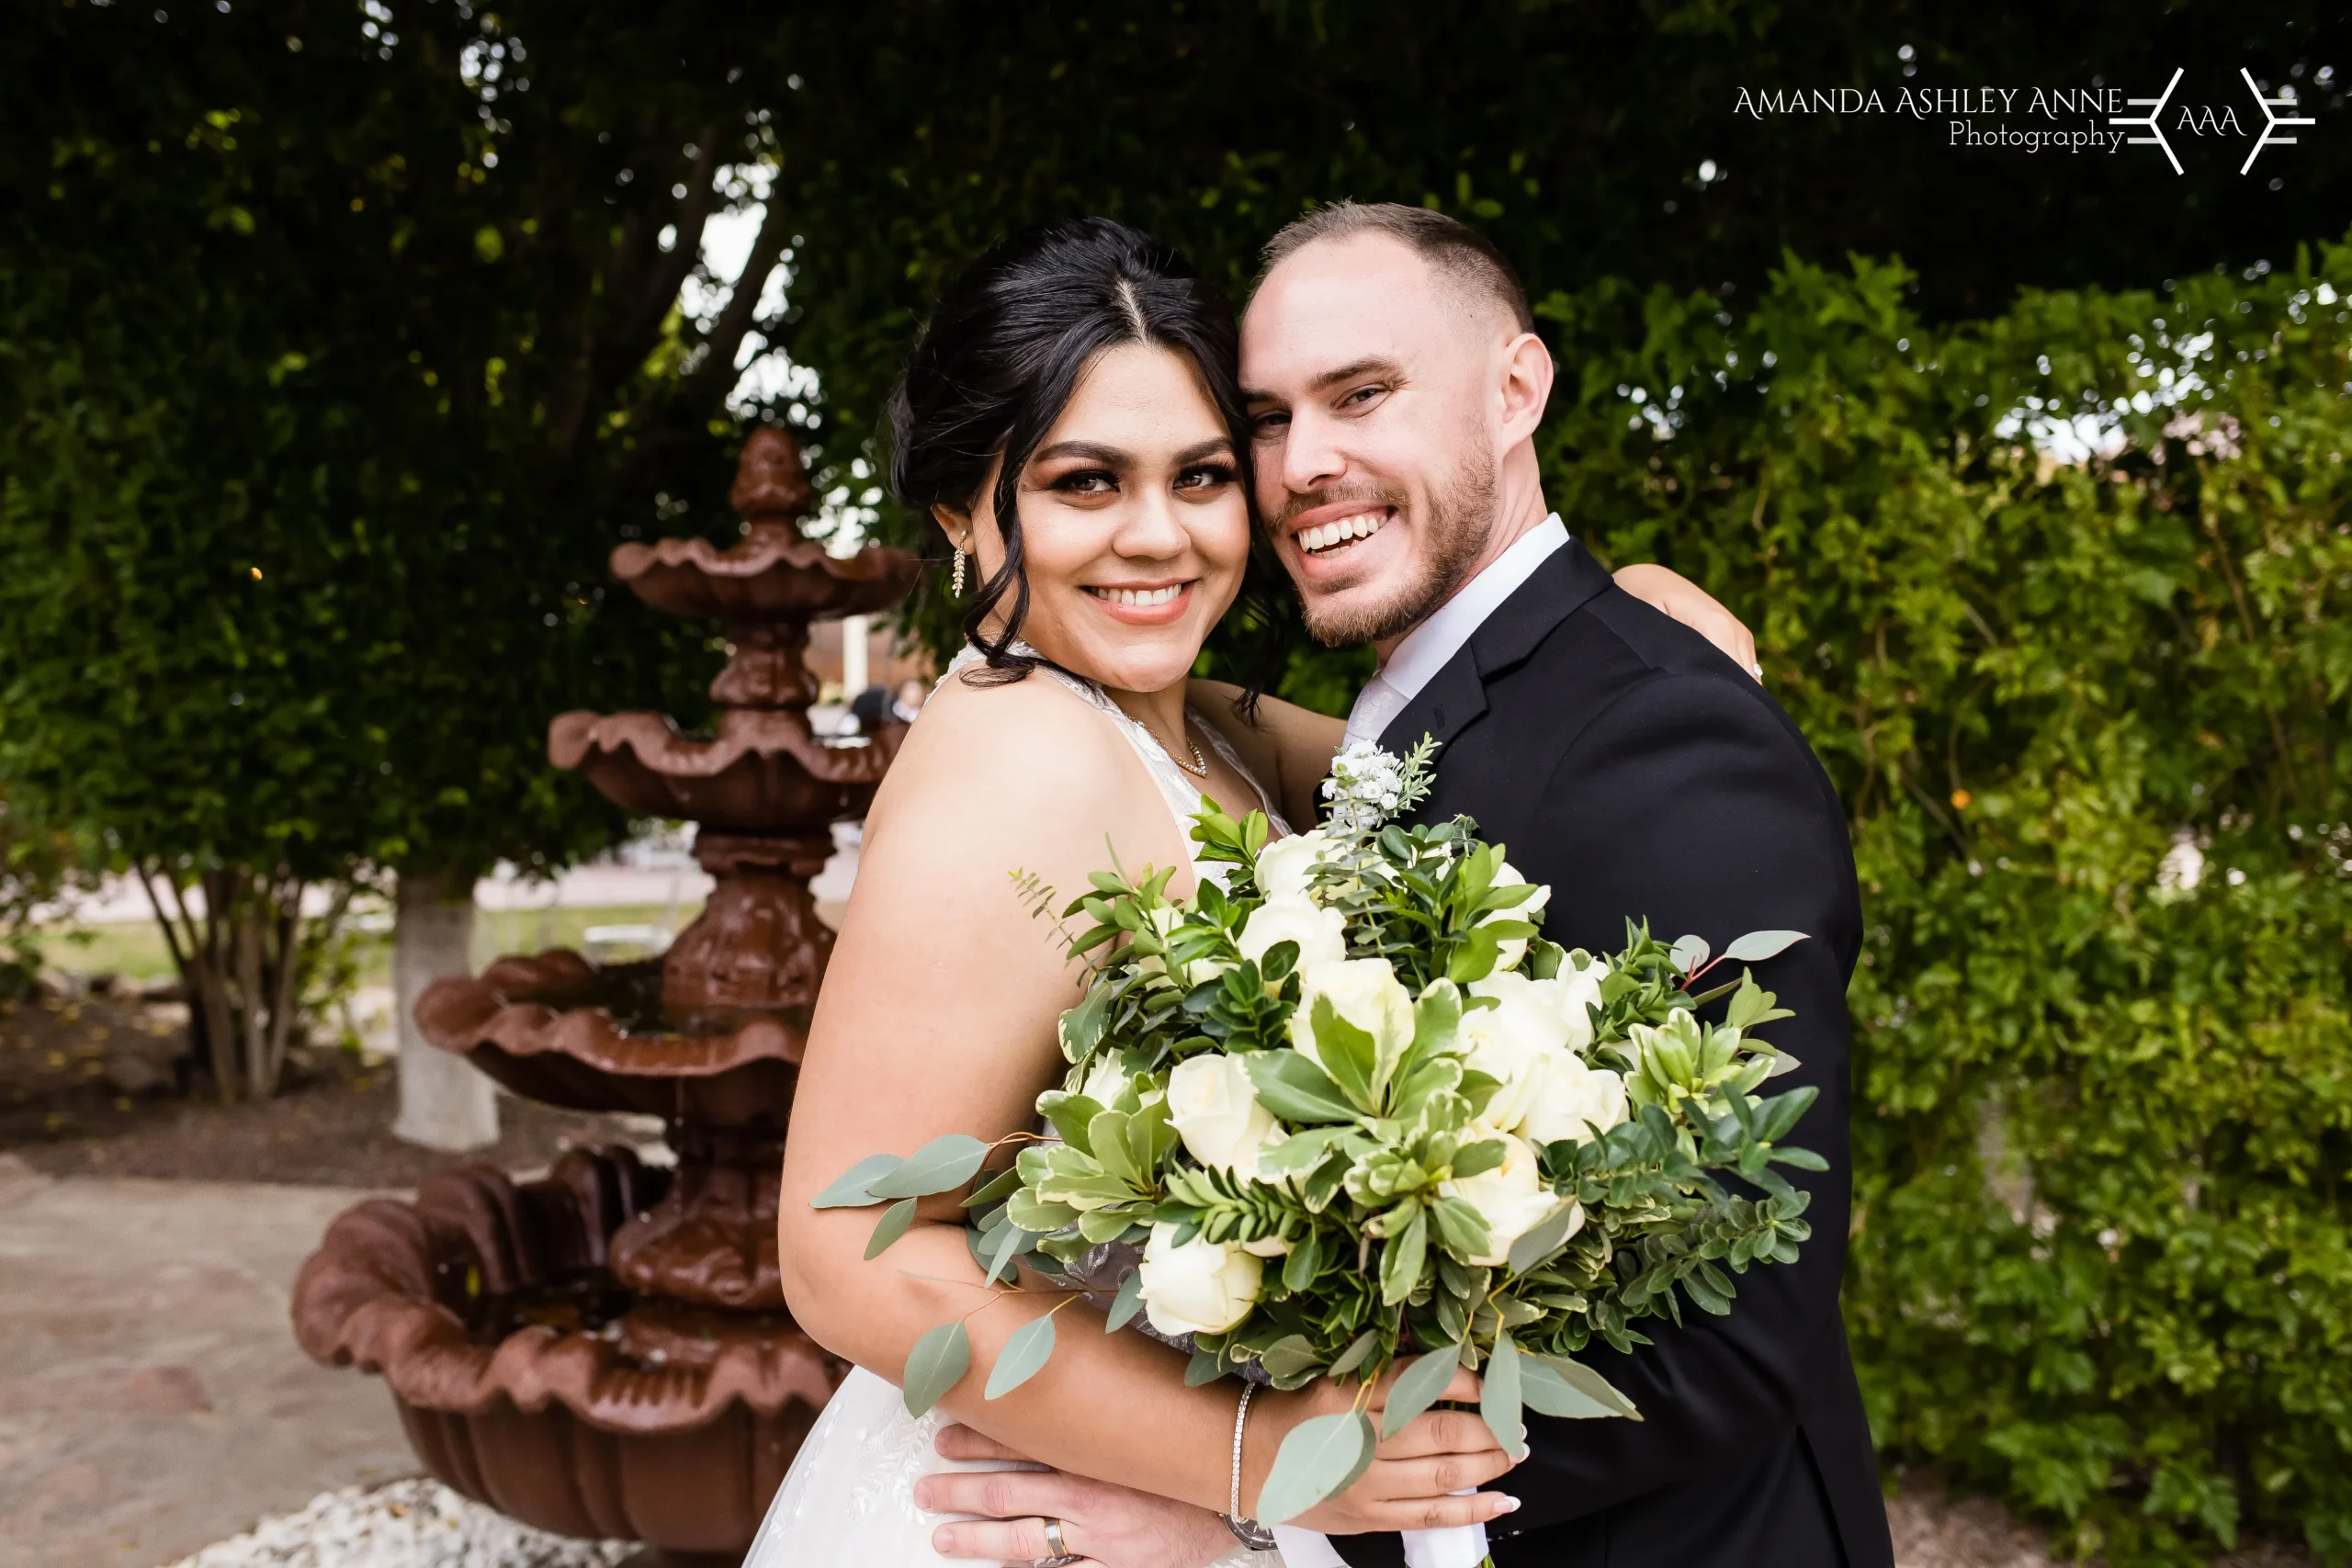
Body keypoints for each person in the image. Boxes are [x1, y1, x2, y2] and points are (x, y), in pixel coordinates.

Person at [752, 217, 1766, 1567]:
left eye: (1202, 476)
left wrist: (1634, 605)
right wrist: (1259, 1461)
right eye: (1085, 483)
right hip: (1065, 1506)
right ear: (961, 514)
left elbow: (1462, 761)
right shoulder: (1017, 762)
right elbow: (843, 1252)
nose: (1158, 536)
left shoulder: (1194, 724)